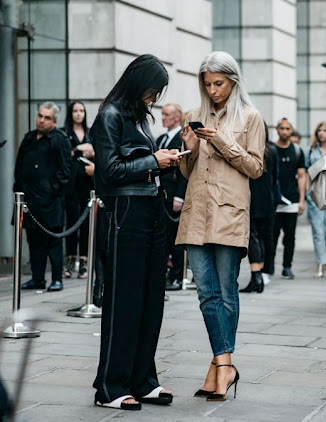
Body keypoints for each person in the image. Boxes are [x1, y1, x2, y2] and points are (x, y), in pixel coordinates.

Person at [91, 54, 178, 411]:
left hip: (150, 209)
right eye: (152, 89)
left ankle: (143, 379)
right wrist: (153, 162)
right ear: (138, 82)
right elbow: (108, 172)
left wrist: (166, 162)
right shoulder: (109, 115)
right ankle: (111, 387)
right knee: (124, 301)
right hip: (125, 213)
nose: (155, 97)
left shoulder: (138, 117)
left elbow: (137, 166)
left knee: (150, 300)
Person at [177, 51, 265, 402]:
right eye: (207, 84)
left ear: (233, 81)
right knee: (205, 293)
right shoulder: (194, 115)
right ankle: (224, 363)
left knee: (226, 293)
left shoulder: (251, 117)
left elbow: (256, 168)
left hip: (229, 213)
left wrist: (223, 142)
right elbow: (187, 173)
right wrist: (190, 148)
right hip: (197, 212)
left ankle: (219, 366)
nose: (213, 90)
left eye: (219, 83)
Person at [15, 102, 71, 292]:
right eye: (40, 116)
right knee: (34, 242)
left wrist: (52, 190)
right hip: (30, 202)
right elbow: (19, 167)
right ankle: (37, 278)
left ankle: (57, 279)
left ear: (54, 120)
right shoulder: (29, 138)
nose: (41, 120)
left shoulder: (59, 139)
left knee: (53, 242)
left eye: (47, 117)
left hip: (50, 202)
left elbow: (65, 171)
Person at [241, 122, 278, 293]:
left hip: (252, 198)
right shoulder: (271, 150)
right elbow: (275, 177)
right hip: (267, 199)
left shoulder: (247, 150)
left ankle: (257, 276)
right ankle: (262, 273)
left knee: (253, 237)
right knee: (264, 237)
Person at [156, 103, 188, 290]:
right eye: (162, 114)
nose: (162, 118)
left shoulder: (180, 138)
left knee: (174, 237)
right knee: (164, 237)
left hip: (173, 194)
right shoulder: (161, 139)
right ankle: (168, 273)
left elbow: (184, 171)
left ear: (176, 117)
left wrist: (180, 196)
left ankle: (177, 275)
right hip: (160, 195)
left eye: (166, 114)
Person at [63, 100, 94, 280]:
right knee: (72, 221)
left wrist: (92, 153)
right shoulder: (64, 133)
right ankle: (70, 259)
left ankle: (83, 260)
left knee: (86, 222)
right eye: (75, 110)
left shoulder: (90, 133)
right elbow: (65, 155)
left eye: (81, 110)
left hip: (88, 183)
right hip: (71, 184)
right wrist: (78, 149)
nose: (79, 114)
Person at [271, 118, 306, 279]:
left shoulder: (297, 151)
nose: (284, 131)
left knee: (290, 236)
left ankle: (287, 266)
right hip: (274, 200)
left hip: (291, 200)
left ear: (292, 130)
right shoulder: (271, 149)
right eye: (282, 128)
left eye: (287, 128)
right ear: (277, 130)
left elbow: (301, 176)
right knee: (272, 235)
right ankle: (268, 265)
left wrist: (301, 200)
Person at [306, 121, 326, 278]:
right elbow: (305, 172)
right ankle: (321, 262)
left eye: (325, 130)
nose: (322, 133)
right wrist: (306, 194)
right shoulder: (311, 150)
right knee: (318, 230)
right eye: (319, 130)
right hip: (315, 194)